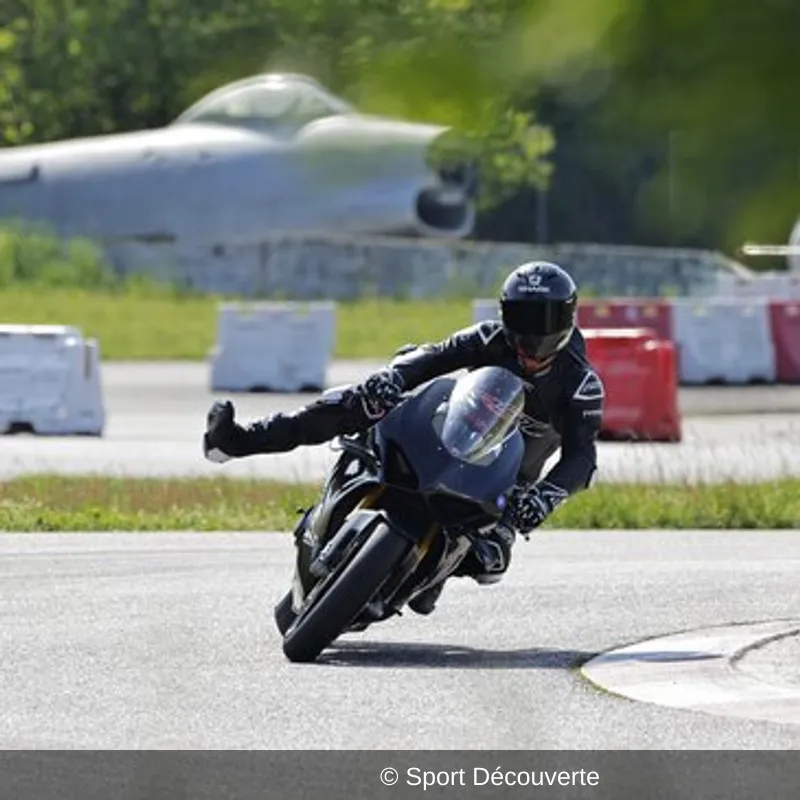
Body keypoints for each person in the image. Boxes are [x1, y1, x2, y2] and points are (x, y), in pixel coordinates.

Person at [203, 261, 604, 614]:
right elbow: (433, 355)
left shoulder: (580, 384)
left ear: (566, 320)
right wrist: (392, 377)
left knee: (492, 558)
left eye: (544, 321)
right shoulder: (490, 338)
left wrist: (545, 496)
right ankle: (237, 441)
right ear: (505, 313)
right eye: (522, 317)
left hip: (506, 481)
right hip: (447, 436)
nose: (532, 336)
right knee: (358, 400)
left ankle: (433, 576)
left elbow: (581, 459)